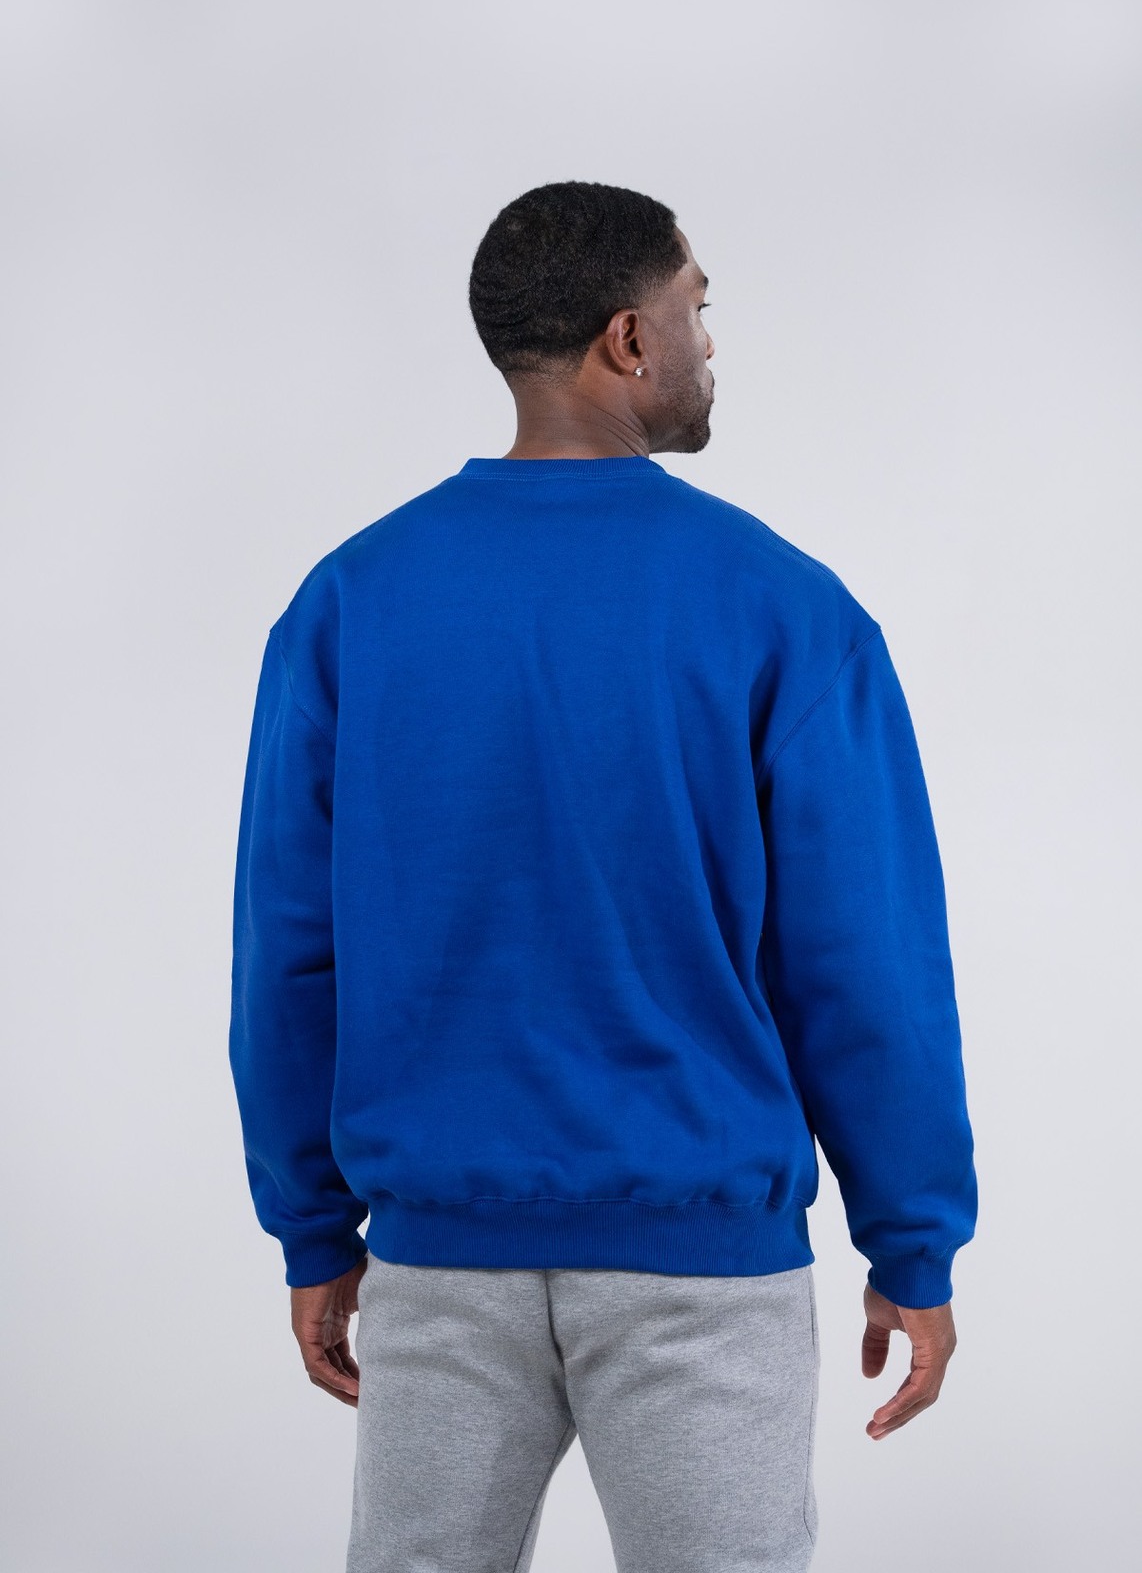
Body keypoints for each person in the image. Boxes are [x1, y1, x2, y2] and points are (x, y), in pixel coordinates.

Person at [228, 180, 978, 1572]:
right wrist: (912, 1243)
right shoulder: (784, 607)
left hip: (436, 1259)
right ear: (628, 340)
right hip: (701, 1260)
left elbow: (288, 950)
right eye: (696, 307)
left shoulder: (350, 602)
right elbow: (861, 964)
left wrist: (312, 1231)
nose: (709, 340)